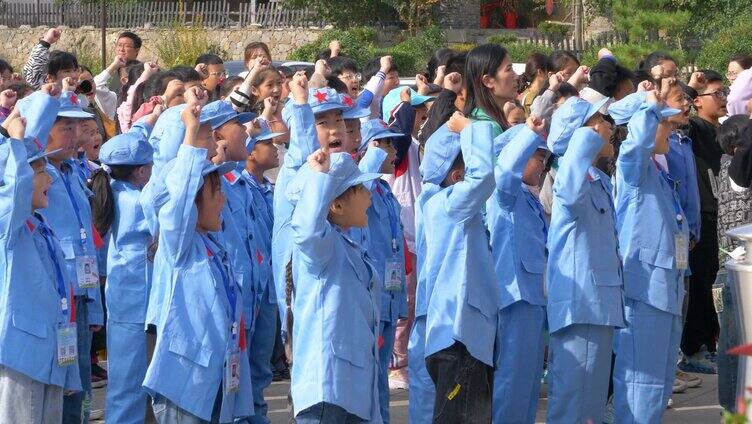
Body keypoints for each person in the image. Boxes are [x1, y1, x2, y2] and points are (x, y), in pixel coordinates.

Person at [142, 102, 251, 423]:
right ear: (194, 199)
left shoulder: (212, 247)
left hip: (216, 380)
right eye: (216, 191)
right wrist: (191, 135)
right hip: (186, 383)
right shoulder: (179, 246)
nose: (224, 199)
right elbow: (176, 202)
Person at [0, 85, 81, 423]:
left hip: (50, 355)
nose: (47, 177)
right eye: (39, 173)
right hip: (22, 357)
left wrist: (46, 102)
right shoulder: (8, 224)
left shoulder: (40, 226)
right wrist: (16, 145)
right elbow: (14, 185)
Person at [286, 148, 383, 423]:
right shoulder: (320, 248)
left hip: (350, 392)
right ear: (336, 206)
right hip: (326, 393)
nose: (369, 196)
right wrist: (320, 177)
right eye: (361, 189)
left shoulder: (345, 246)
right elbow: (306, 230)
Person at [608, 86, 686, 423]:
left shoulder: (657, 171)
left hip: (665, 290)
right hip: (645, 294)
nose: (670, 128)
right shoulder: (634, 170)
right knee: (642, 384)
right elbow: (632, 149)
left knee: (658, 385)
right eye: (662, 123)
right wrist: (650, 109)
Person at [545, 96, 625, 424]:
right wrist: (586, 136)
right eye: (602, 120)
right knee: (574, 403)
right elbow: (567, 190)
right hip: (582, 306)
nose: (610, 128)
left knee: (589, 404)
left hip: (598, 305)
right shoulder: (571, 179)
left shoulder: (597, 180)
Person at [420, 113, 498, 422]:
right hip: (460, 339)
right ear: (456, 178)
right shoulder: (450, 204)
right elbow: (484, 176)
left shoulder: (442, 203)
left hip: (464, 338)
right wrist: (471, 129)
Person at [91, 115, 158, 424]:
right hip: (137, 300)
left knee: (124, 381)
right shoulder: (138, 200)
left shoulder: (110, 191)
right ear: (141, 171)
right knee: (131, 386)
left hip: (122, 298)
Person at [487, 117, 550, 424]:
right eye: (539, 156)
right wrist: (528, 134)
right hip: (514, 298)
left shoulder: (527, 197)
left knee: (527, 383)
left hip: (533, 298)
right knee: (511, 384)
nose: (543, 165)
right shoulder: (504, 194)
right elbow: (505, 171)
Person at [357, 120, 409, 424]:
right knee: (371, 378)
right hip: (372, 301)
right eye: (387, 144)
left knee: (380, 380)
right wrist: (373, 154)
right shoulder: (363, 185)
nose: (394, 151)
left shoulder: (385, 189)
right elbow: (361, 184)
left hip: (388, 300)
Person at [680, 70, 728, 374]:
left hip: (717, 214)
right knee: (699, 286)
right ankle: (694, 348)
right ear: (698, 101)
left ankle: (710, 345)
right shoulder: (695, 128)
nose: (723, 99)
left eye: (725, 93)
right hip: (701, 216)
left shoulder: (720, 132)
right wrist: (690, 86)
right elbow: (678, 108)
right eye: (717, 94)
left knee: (713, 283)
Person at [715, 115, 752, 411]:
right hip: (732, 274)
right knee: (732, 348)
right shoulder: (733, 169)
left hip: (739, 273)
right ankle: (731, 412)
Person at [463, 44, 519, 137]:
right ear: (488, 81)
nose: (516, 76)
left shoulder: (479, 119)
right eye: (509, 69)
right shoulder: (488, 128)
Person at [519, 52, 553, 116]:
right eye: (549, 70)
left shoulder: (526, 92)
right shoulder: (533, 97)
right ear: (540, 72)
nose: (551, 74)